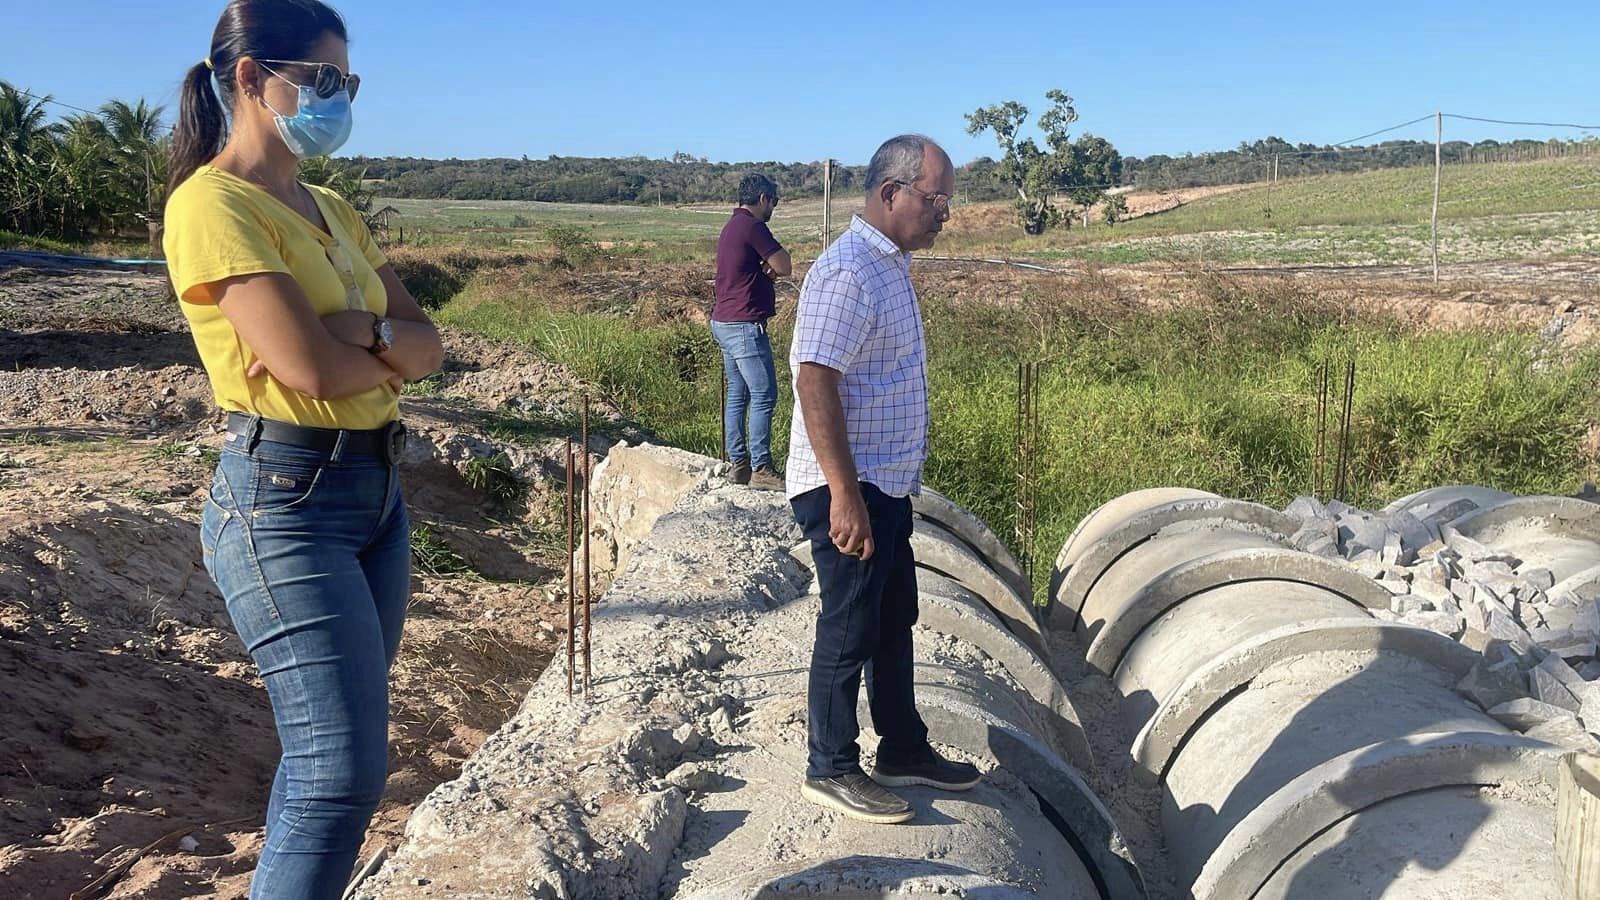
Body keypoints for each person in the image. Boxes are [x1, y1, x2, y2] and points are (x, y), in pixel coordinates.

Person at [162, 1, 443, 896]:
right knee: (342, 770)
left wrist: (361, 330)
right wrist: (372, 339)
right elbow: (309, 368)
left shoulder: (329, 208)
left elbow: (429, 345)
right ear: (251, 78)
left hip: (375, 495)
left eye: (347, 83)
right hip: (285, 503)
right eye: (324, 80)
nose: (340, 97)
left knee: (326, 759)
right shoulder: (211, 206)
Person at [786, 134, 979, 824]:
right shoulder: (847, 272)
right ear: (891, 193)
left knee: (893, 617)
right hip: (851, 484)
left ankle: (902, 746)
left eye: (946, 203)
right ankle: (830, 765)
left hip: (885, 484)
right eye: (935, 200)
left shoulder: (888, 264)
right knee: (850, 622)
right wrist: (843, 493)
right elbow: (815, 381)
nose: (942, 215)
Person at [712, 172, 791, 490]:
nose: (773, 207)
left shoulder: (732, 226)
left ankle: (739, 465)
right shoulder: (754, 226)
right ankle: (761, 468)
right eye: (774, 201)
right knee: (764, 394)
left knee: (738, 395)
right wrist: (770, 268)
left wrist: (762, 274)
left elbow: (745, 272)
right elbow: (784, 265)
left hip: (724, 321)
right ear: (763, 199)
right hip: (744, 325)